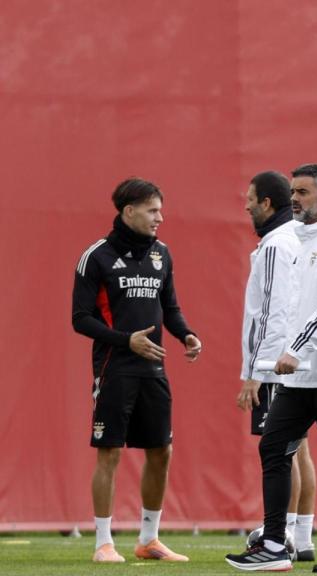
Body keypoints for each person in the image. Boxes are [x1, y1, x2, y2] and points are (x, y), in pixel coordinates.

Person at [226, 164, 317, 574]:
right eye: (292, 192)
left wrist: (294, 348)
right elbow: (288, 306)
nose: (294, 199)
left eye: (303, 192)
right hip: (299, 375)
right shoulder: (300, 239)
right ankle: (274, 545)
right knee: (273, 447)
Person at [72, 177, 202, 563]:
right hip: (115, 368)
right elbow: (80, 318)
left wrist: (187, 334)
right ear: (129, 212)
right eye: (152, 210)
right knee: (109, 451)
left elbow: (170, 308)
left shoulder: (162, 254)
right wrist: (125, 340)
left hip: (154, 369)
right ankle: (103, 543)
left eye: (161, 210)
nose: (160, 217)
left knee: (162, 450)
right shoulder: (96, 256)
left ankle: (149, 539)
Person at [237, 171, 317, 561]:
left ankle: (280, 536)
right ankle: (302, 538)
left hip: (277, 363)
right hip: (293, 360)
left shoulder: (275, 244)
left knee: (281, 451)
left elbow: (272, 311)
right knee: (299, 449)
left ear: (267, 203)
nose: (246, 205)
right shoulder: (296, 238)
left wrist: (255, 372)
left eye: (250, 198)